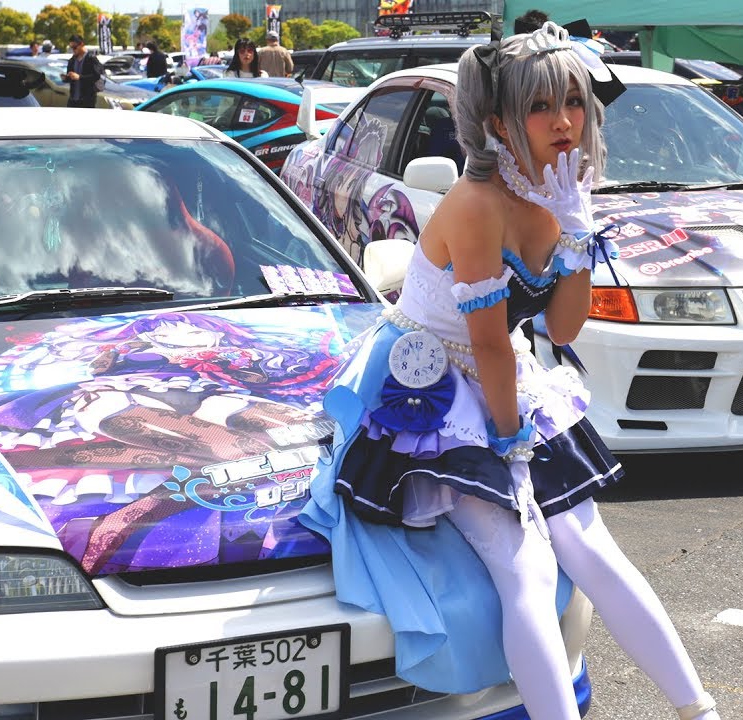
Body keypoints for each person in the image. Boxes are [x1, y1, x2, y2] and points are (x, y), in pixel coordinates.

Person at [298, 21, 721, 720]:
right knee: (525, 566)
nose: (564, 122)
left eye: (574, 102)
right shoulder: (475, 205)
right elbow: (488, 343)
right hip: (430, 394)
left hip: (507, 377)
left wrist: (577, 235)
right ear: (499, 123)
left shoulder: (556, 194)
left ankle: (699, 709)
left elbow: (562, 328)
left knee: (590, 546)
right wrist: (507, 443)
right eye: (540, 107)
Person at [64, 34, 103, 108]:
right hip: (73, 100)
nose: (73, 50)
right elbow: (71, 77)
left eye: (75, 47)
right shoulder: (72, 60)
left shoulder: (91, 58)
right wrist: (66, 78)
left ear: (81, 44)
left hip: (87, 101)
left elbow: (96, 76)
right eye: (71, 48)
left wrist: (80, 77)